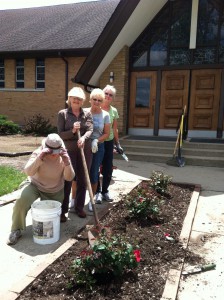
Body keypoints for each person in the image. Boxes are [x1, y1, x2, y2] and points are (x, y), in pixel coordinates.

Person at [6, 133, 75, 245]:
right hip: (35, 185)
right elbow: (28, 171)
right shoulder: (39, 153)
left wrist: (67, 162)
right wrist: (40, 157)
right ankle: (16, 229)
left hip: (54, 189)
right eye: (51, 150)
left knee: (47, 223)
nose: (53, 154)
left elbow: (69, 177)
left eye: (56, 150)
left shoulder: (64, 156)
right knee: (21, 200)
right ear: (46, 148)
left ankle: (47, 233)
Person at [57, 87, 93, 220]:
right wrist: (72, 131)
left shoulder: (87, 114)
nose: (76, 100)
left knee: (82, 179)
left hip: (84, 150)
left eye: (79, 98)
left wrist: (83, 138)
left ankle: (79, 208)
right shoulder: (63, 114)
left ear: (82, 101)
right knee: (68, 179)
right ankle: (63, 210)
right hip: (69, 151)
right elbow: (61, 134)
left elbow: (90, 129)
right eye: (74, 98)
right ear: (69, 99)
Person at [95, 85, 123, 203]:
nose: (108, 96)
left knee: (108, 168)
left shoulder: (114, 111)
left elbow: (115, 129)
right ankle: (97, 192)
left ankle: (105, 191)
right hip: (97, 141)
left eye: (110, 95)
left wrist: (118, 144)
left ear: (113, 98)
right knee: (95, 167)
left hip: (109, 142)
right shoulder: (96, 107)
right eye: (106, 93)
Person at [87, 88, 110, 211]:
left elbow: (107, 133)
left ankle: (91, 200)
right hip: (84, 146)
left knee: (94, 172)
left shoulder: (105, 115)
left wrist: (97, 140)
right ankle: (75, 200)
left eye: (99, 100)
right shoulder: (84, 112)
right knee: (81, 172)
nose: (96, 102)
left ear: (102, 102)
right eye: (94, 99)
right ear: (90, 99)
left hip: (98, 146)